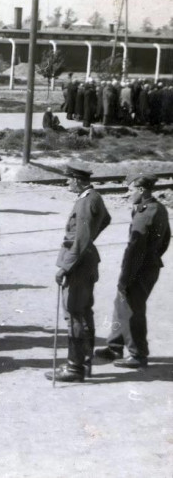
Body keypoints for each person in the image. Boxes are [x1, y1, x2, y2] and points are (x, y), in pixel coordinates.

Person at [95, 173, 170, 369]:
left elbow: (135, 250)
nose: (127, 194)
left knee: (132, 309)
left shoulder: (146, 214)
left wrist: (126, 277)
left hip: (139, 269)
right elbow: (167, 238)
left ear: (141, 190)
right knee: (121, 304)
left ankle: (138, 355)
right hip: (148, 265)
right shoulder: (157, 208)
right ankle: (115, 347)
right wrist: (154, 256)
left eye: (130, 190)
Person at [46, 162, 111, 383]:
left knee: (74, 314)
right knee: (85, 312)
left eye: (68, 179)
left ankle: (75, 368)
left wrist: (66, 266)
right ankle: (85, 362)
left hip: (78, 265)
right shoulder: (95, 196)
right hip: (86, 260)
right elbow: (106, 220)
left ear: (77, 180)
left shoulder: (84, 202)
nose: (66, 182)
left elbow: (81, 238)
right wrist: (90, 238)